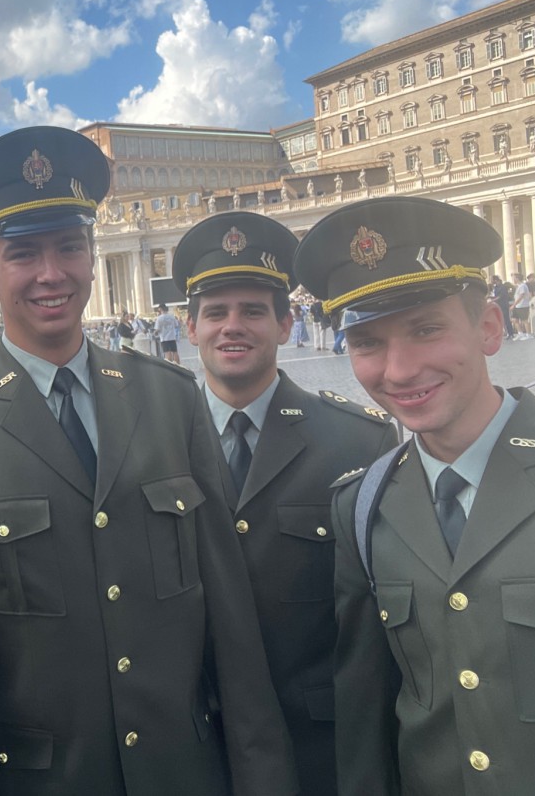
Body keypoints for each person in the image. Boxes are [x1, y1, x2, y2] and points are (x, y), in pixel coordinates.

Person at [0, 126, 296, 796]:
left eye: (68, 247)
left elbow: (229, 617)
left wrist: (262, 779)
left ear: (90, 255)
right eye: (23, 254)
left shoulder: (170, 398)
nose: (51, 273)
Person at [294, 195, 535, 796]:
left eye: (425, 329)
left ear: (488, 327)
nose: (400, 370)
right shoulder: (363, 508)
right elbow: (366, 715)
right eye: (366, 342)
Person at [173, 212, 397, 795]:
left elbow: (379, 631)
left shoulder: (359, 441)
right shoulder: (151, 445)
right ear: (189, 327)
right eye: (215, 313)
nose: (233, 327)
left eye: (253, 311)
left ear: (285, 323)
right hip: (198, 751)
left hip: (319, 751)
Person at [510, 271, 530, 339]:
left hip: (522, 305)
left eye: (514, 278)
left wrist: (514, 305)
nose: (513, 280)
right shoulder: (518, 286)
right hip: (517, 306)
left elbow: (521, 296)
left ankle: (528, 334)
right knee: (514, 319)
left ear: (517, 278)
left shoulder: (522, 286)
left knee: (524, 320)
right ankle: (520, 333)